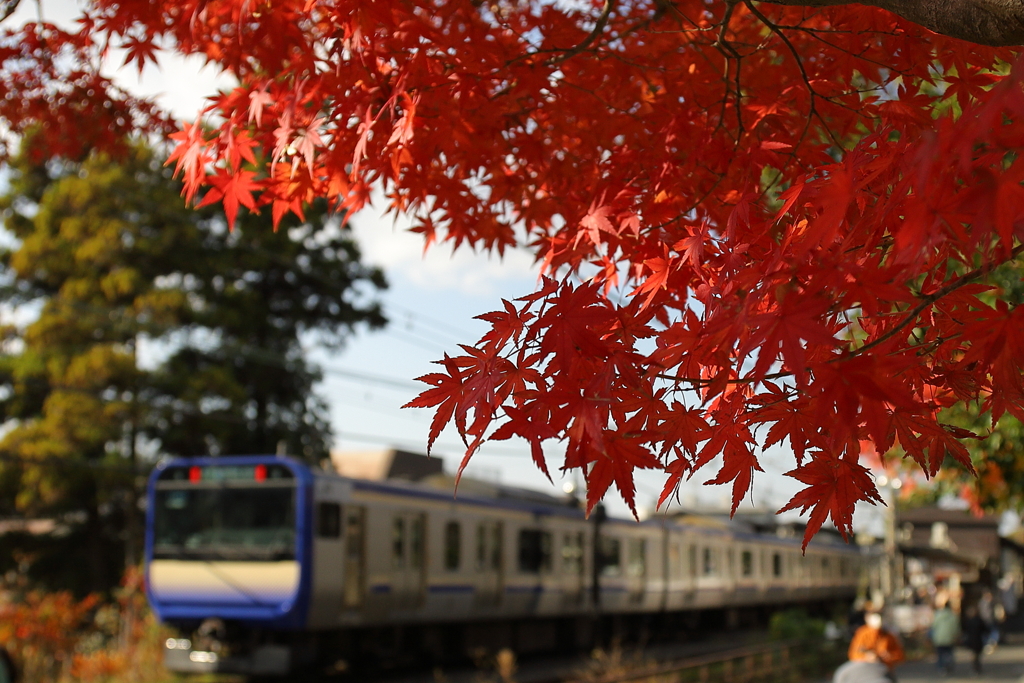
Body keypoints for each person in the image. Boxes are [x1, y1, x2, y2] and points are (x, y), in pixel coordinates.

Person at [842, 609, 905, 682]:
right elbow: (853, 654)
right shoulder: (862, 634)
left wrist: (888, 657)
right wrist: (866, 657)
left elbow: (900, 655)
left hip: (884, 671)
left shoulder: (888, 635)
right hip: (866, 673)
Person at [930, 598, 959, 675]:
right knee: (949, 653)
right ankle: (948, 665)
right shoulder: (953, 616)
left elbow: (933, 626)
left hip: (939, 638)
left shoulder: (938, 615)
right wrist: (955, 636)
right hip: (949, 638)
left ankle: (941, 668)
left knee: (940, 654)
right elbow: (956, 628)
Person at [963, 604, 987, 674]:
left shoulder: (968, 621)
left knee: (974, 655)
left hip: (971, 641)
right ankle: (977, 667)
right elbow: (985, 629)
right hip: (978, 640)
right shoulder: (979, 620)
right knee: (977, 655)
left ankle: (975, 667)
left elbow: (965, 630)